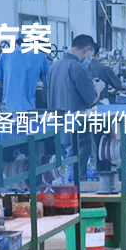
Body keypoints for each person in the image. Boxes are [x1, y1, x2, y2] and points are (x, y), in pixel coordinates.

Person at [49, 35, 100, 182]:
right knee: (74, 173)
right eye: (91, 54)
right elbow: (91, 99)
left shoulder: (54, 67)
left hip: (57, 127)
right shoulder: (77, 67)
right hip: (76, 128)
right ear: (87, 49)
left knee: (60, 170)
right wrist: (98, 88)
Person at [0, 42, 48, 112]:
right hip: (28, 107)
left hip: (8, 106)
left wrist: (9, 90)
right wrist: (36, 85)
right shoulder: (40, 57)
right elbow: (49, 83)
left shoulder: (6, 54)